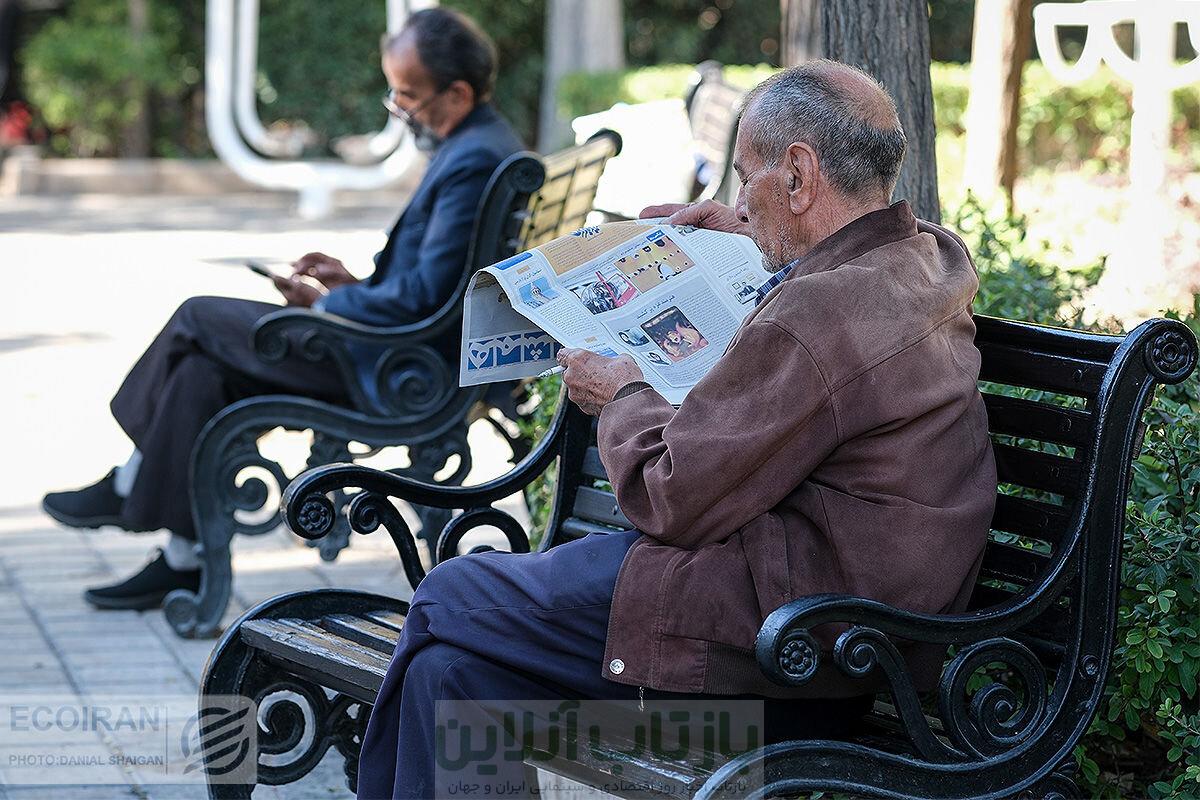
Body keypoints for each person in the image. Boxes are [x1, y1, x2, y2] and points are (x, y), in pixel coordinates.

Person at [354, 60, 997, 799]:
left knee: (448, 598)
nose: (737, 201)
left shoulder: (819, 318)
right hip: (837, 631)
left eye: (745, 177)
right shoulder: (928, 258)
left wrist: (621, 392)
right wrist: (745, 229)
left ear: (798, 175)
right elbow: (835, 256)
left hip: (783, 654)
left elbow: (669, 496)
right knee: (451, 673)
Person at [40, 8, 523, 611]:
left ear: (457, 92)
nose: (399, 111)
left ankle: (127, 484)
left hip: (394, 370)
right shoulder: (479, 144)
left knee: (196, 316)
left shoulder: (473, 158)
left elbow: (422, 300)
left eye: (408, 97)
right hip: (401, 354)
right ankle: (182, 562)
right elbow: (429, 283)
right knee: (198, 373)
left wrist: (330, 303)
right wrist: (352, 280)